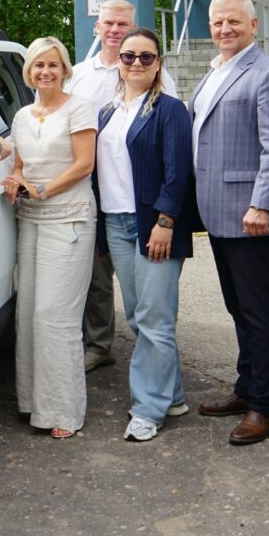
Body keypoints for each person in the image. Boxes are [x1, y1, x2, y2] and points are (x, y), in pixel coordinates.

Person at [190, 0, 269, 446]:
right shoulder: (215, 71)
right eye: (217, 23)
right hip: (218, 212)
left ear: (254, 25)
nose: (224, 30)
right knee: (237, 306)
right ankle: (246, 387)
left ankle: (264, 406)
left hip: (249, 214)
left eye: (233, 22)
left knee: (256, 309)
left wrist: (262, 203)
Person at [65, 0, 178, 375]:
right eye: (108, 23)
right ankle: (100, 346)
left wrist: (166, 215)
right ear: (97, 27)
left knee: (149, 306)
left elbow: (174, 148)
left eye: (122, 24)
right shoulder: (79, 76)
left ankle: (155, 390)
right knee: (102, 282)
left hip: (145, 205)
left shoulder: (161, 87)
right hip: (98, 197)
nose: (114, 30)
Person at [94, 28, 193, 442]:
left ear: (158, 65)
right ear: (118, 61)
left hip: (154, 224)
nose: (136, 63)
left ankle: (148, 409)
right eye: (129, 56)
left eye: (146, 58)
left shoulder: (170, 110)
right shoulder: (106, 112)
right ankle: (172, 394)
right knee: (138, 316)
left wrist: (166, 222)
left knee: (154, 318)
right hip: (116, 223)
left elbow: (178, 172)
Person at [1, 36, 97, 439]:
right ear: (29, 72)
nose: (45, 72)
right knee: (27, 315)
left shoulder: (79, 107)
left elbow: (84, 165)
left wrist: (42, 190)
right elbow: (21, 163)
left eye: (53, 65)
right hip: (31, 218)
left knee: (54, 317)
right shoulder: (23, 115)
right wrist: (17, 180)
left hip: (69, 218)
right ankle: (33, 402)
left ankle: (64, 410)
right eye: (38, 65)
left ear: (65, 69)